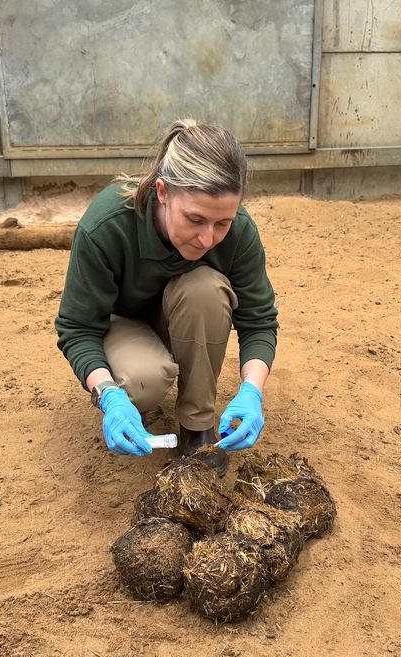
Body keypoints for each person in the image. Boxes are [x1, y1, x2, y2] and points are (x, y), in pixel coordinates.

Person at [54, 120, 278, 476]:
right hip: (123, 324)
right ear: (162, 191)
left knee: (204, 288)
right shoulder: (107, 225)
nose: (208, 239)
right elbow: (77, 328)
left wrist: (252, 391)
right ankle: (129, 402)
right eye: (195, 219)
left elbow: (260, 321)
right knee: (144, 380)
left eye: (222, 223)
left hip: (189, 317)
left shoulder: (239, 231)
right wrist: (109, 394)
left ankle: (197, 426)